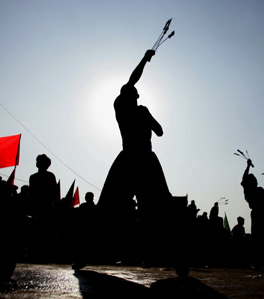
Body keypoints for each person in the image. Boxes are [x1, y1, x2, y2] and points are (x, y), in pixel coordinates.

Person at [97, 49, 173, 266]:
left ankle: (163, 253)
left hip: (130, 159)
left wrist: (147, 115)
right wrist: (144, 60)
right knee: (156, 207)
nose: (135, 94)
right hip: (143, 160)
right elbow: (159, 131)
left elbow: (158, 130)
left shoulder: (127, 110)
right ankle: (168, 254)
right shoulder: (128, 109)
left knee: (113, 205)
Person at [241, 159, 264, 266]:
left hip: (260, 214)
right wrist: (248, 166)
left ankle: (260, 259)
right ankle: (261, 259)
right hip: (261, 214)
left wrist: (248, 166)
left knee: (260, 236)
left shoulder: (252, 190)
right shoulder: (256, 190)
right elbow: (244, 178)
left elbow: (244, 179)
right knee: (261, 237)